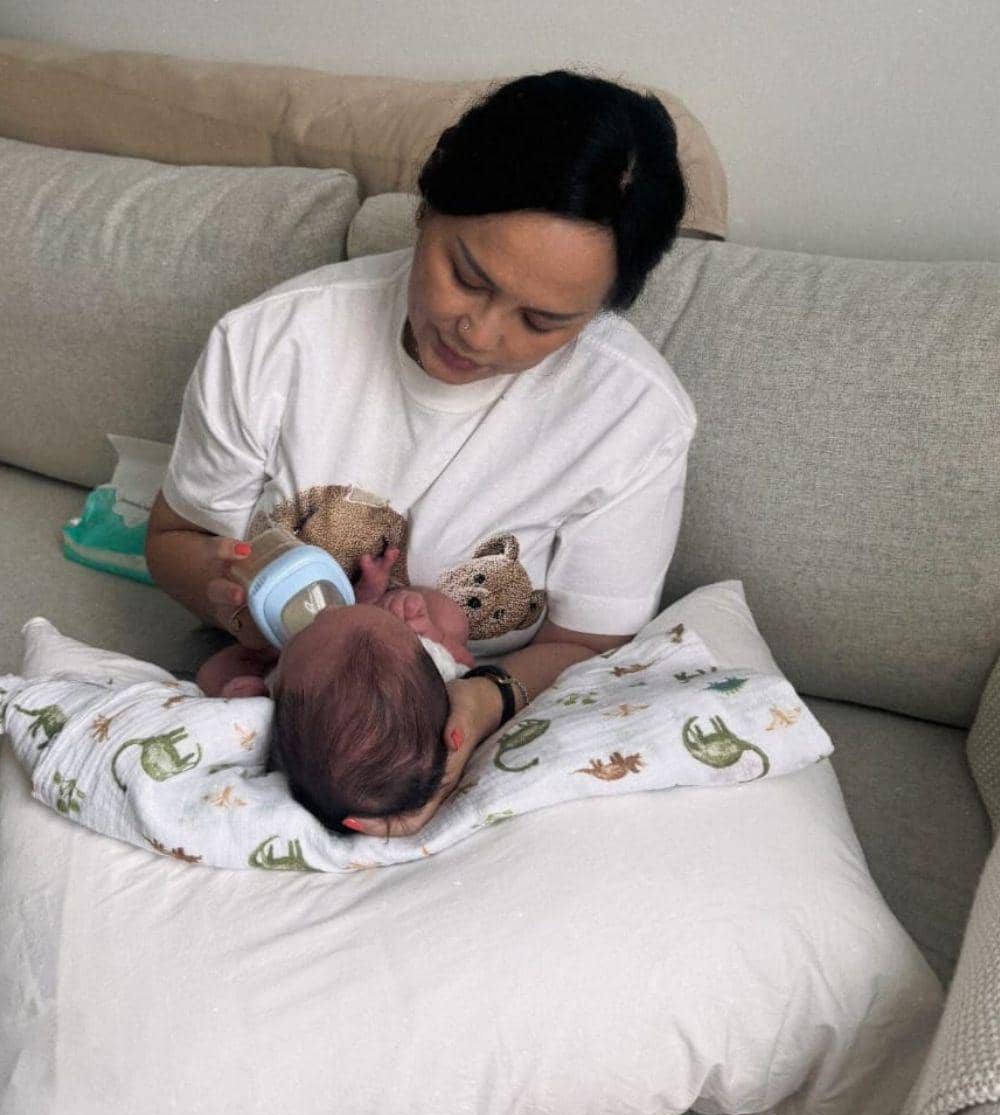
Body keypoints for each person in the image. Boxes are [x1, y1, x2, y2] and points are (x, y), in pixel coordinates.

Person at [146, 69, 696, 838]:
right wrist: (229, 605)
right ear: (426, 208)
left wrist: (483, 699)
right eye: (467, 277)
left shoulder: (634, 417)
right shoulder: (272, 343)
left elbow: (590, 644)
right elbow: (174, 537)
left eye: (542, 321)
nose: (481, 334)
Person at [196, 551, 475, 832]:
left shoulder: (286, 726)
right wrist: (432, 633)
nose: (326, 609)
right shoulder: (437, 670)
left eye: (315, 623)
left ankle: (360, 610)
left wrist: (242, 702)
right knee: (450, 618)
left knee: (219, 670)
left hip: (291, 661)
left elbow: (209, 677)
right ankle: (365, 606)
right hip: (382, 639)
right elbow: (464, 664)